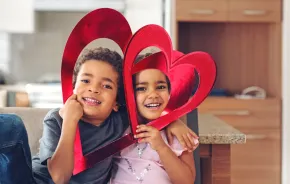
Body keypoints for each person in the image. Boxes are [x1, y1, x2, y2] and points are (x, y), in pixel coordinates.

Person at [0, 48, 198, 184]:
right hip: (31, 180)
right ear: (73, 87)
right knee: (12, 126)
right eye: (86, 80)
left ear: (117, 102)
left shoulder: (120, 121)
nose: (93, 89)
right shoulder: (58, 119)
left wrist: (173, 119)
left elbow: (148, 108)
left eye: (106, 86)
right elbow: (58, 177)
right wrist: (70, 120)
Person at [111, 54, 198, 184]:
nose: (153, 94)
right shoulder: (118, 127)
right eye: (141, 88)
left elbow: (187, 181)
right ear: (128, 94)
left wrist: (161, 146)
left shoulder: (175, 136)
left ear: (170, 91)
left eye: (160, 87)